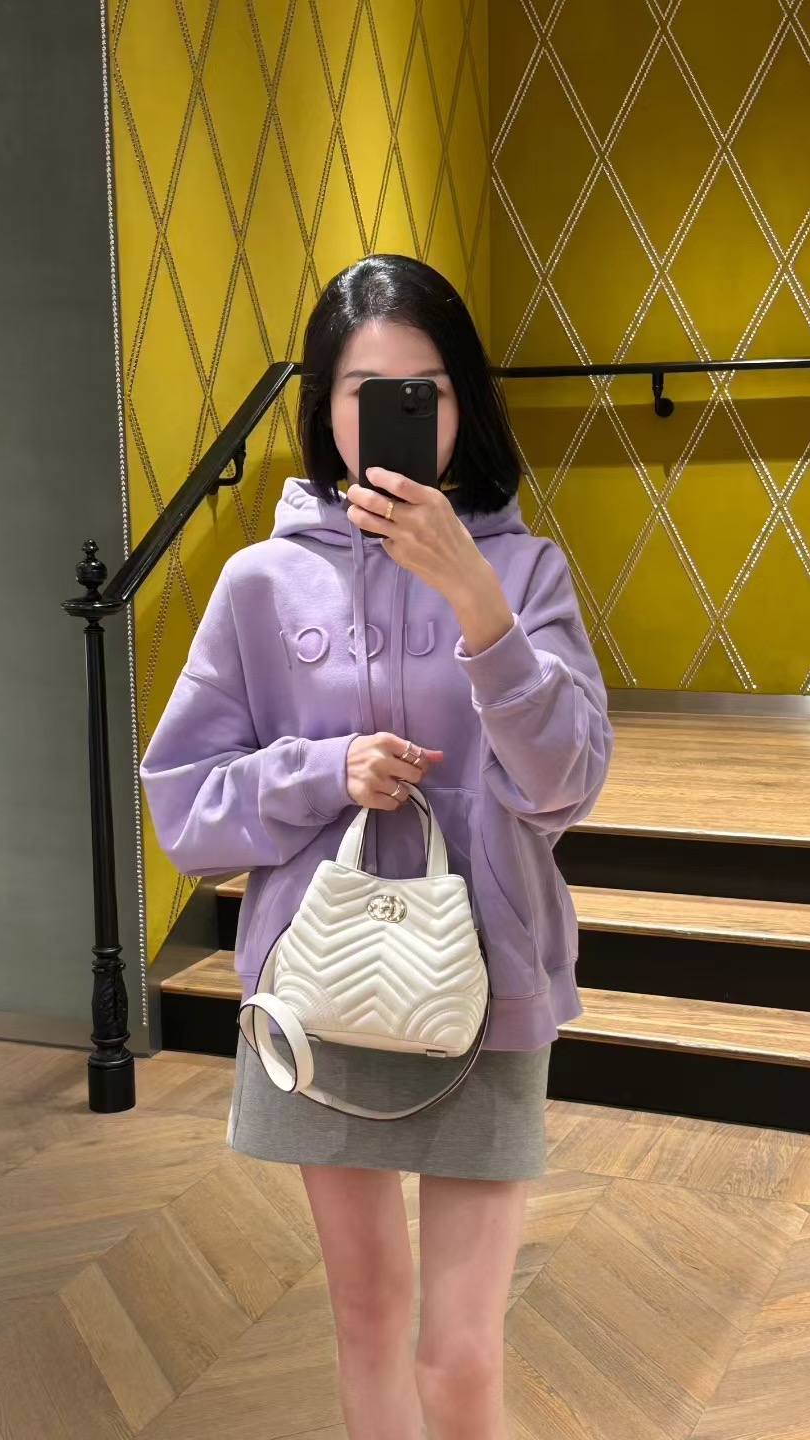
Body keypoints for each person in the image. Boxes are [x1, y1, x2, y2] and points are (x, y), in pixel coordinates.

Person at [140, 254, 613, 1440]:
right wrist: (322, 770)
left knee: (459, 1361)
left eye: (426, 390)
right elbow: (184, 805)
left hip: (488, 992)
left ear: (464, 402)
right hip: (319, 995)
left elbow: (566, 783)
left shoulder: (525, 574)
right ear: (325, 406)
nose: (397, 416)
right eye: (366, 392)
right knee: (365, 1318)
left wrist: (478, 606)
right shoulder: (259, 583)